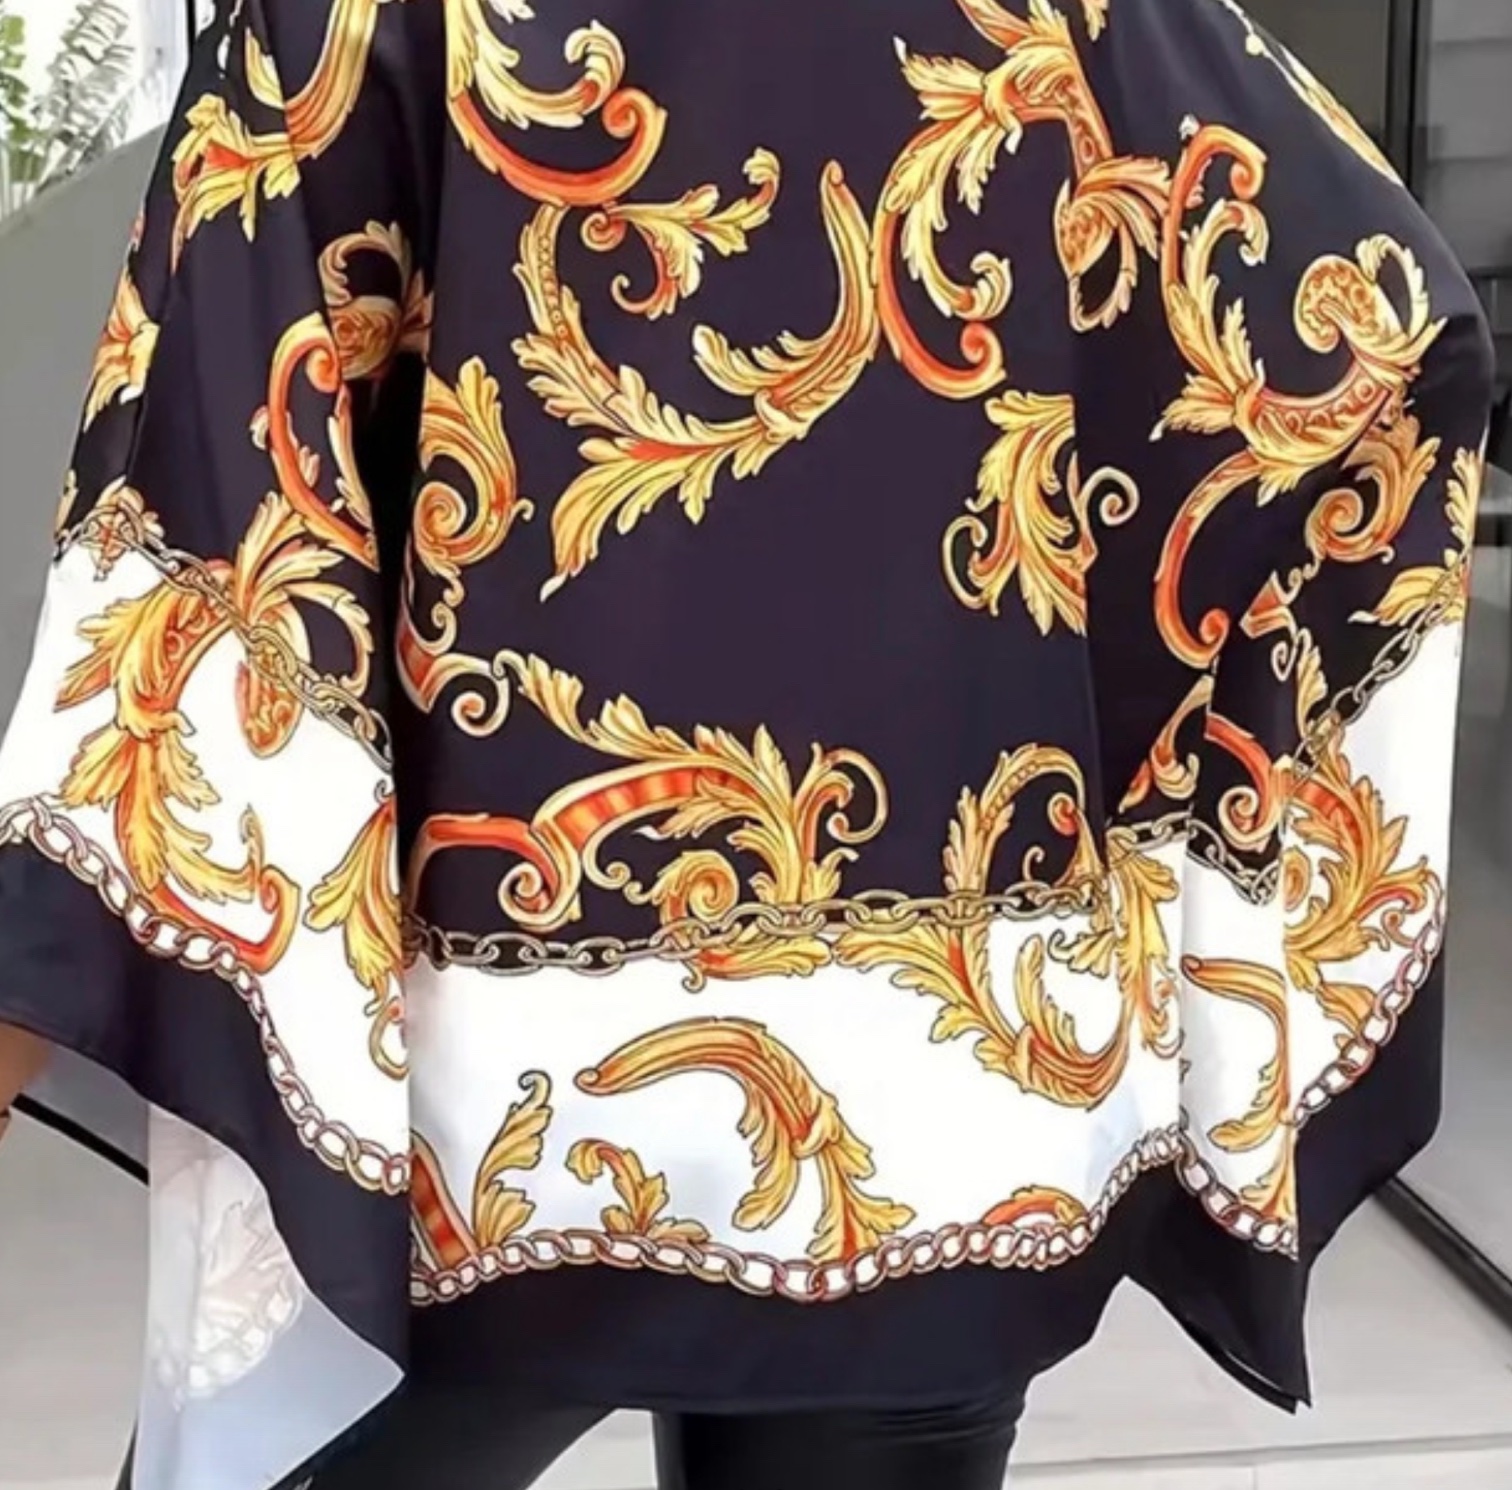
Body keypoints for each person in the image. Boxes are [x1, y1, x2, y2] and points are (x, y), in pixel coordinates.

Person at [0, 1, 1496, 1487]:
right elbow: (1389, 336)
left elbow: (205, 567)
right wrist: (1131, 776)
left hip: (503, 1134)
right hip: (947, 1119)